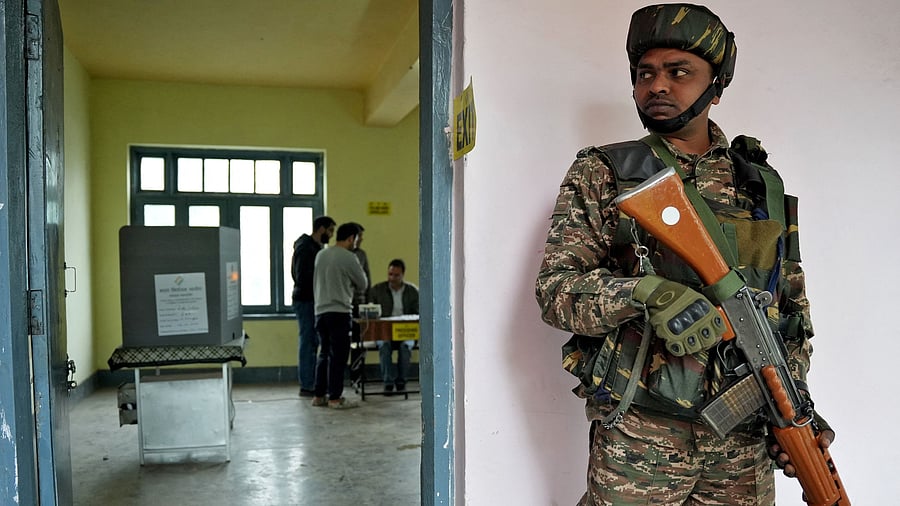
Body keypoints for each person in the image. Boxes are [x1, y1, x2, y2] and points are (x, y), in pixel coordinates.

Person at [535, 4, 836, 504]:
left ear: (715, 87)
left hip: (743, 439)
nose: (658, 85)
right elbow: (556, 291)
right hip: (641, 436)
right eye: (645, 73)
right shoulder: (607, 171)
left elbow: (789, 310)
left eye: (680, 72)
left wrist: (795, 405)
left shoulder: (759, 185)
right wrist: (646, 292)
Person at [312, 222, 368, 409]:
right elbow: (363, 283)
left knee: (324, 353)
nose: (358, 243)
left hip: (320, 311)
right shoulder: (349, 257)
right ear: (351, 238)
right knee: (339, 356)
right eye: (358, 239)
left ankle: (319, 396)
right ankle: (335, 398)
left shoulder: (321, 254)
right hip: (339, 311)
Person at [290, 215, 335, 398]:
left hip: (311, 300)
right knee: (308, 342)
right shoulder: (306, 248)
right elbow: (301, 276)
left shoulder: (313, 248)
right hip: (306, 300)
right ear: (321, 229)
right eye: (330, 230)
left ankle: (312, 383)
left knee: (313, 342)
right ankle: (307, 385)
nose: (331, 235)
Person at [367, 258, 419, 394]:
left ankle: (402, 382)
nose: (392, 278)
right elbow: (370, 311)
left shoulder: (412, 291)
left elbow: (419, 313)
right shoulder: (377, 290)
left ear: (403, 275)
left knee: (405, 347)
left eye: (396, 275)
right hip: (385, 332)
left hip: (405, 331)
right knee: (384, 346)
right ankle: (388, 383)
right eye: (390, 274)